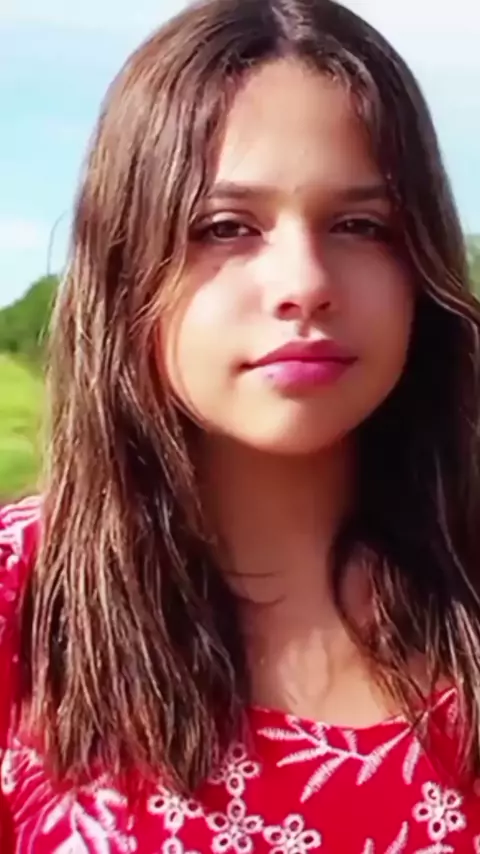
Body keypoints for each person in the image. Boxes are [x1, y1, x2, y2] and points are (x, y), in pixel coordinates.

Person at [2, 0, 480, 850]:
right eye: (225, 227)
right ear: (125, 267)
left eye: (360, 225)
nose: (304, 283)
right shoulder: (21, 604)